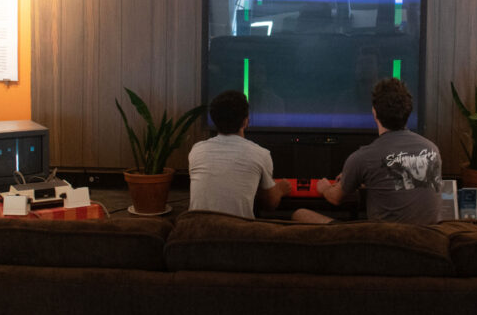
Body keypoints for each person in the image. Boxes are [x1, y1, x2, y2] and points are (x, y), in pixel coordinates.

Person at [292, 78, 442, 224]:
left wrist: (324, 189)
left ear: (374, 112)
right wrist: (367, 179)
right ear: (408, 111)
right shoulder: (431, 149)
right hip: (426, 241)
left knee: (300, 214)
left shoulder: (364, 157)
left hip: (386, 242)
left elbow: (335, 198)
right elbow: (405, 182)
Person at [188, 90, 291, 218]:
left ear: (214, 120)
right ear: (246, 121)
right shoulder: (261, 154)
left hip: (195, 231)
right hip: (237, 234)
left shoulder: (196, 150)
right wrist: (280, 189)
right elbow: (270, 204)